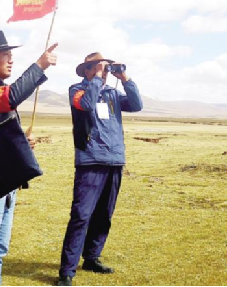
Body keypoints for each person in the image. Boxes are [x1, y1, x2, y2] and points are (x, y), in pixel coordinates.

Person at [0, 30, 58, 286]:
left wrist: (21, 142)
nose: (11, 60)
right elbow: (9, 99)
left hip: (6, 183)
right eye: (5, 55)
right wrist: (39, 65)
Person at [57, 52, 143, 287]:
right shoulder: (77, 90)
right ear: (87, 70)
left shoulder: (113, 93)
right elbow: (86, 105)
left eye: (105, 68)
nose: (104, 72)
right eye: (99, 67)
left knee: (104, 214)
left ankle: (92, 258)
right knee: (81, 216)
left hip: (114, 159)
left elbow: (137, 105)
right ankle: (67, 271)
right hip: (91, 160)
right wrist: (96, 79)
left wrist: (124, 78)